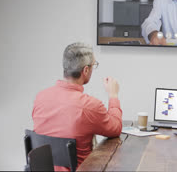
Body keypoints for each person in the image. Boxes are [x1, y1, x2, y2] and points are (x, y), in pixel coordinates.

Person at [32, 42, 122, 171]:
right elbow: (116, 128)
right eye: (93, 66)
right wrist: (113, 95)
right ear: (86, 70)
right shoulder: (89, 106)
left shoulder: (40, 98)